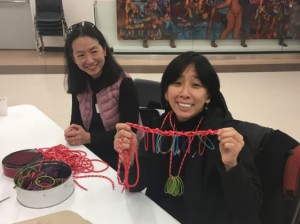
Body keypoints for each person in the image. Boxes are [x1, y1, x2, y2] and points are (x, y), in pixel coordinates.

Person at [114, 51, 262, 224]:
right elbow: (134, 186)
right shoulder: (157, 129)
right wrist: (130, 160)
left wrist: (232, 166)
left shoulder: (224, 137)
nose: (185, 93)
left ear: (208, 96)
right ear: (165, 93)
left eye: (196, 85)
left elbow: (249, 210)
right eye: (177, 83)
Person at [64, 21, 140, 170]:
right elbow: (76, 121)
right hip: (91, 151)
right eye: (81, 55)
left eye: (94, 51)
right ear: (73, 58)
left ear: (104, 49)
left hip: (120, 154)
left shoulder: (124, 83)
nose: (90, 60)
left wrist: (89, 137)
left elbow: (129, 132)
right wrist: (74, 132)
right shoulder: (78, 81)